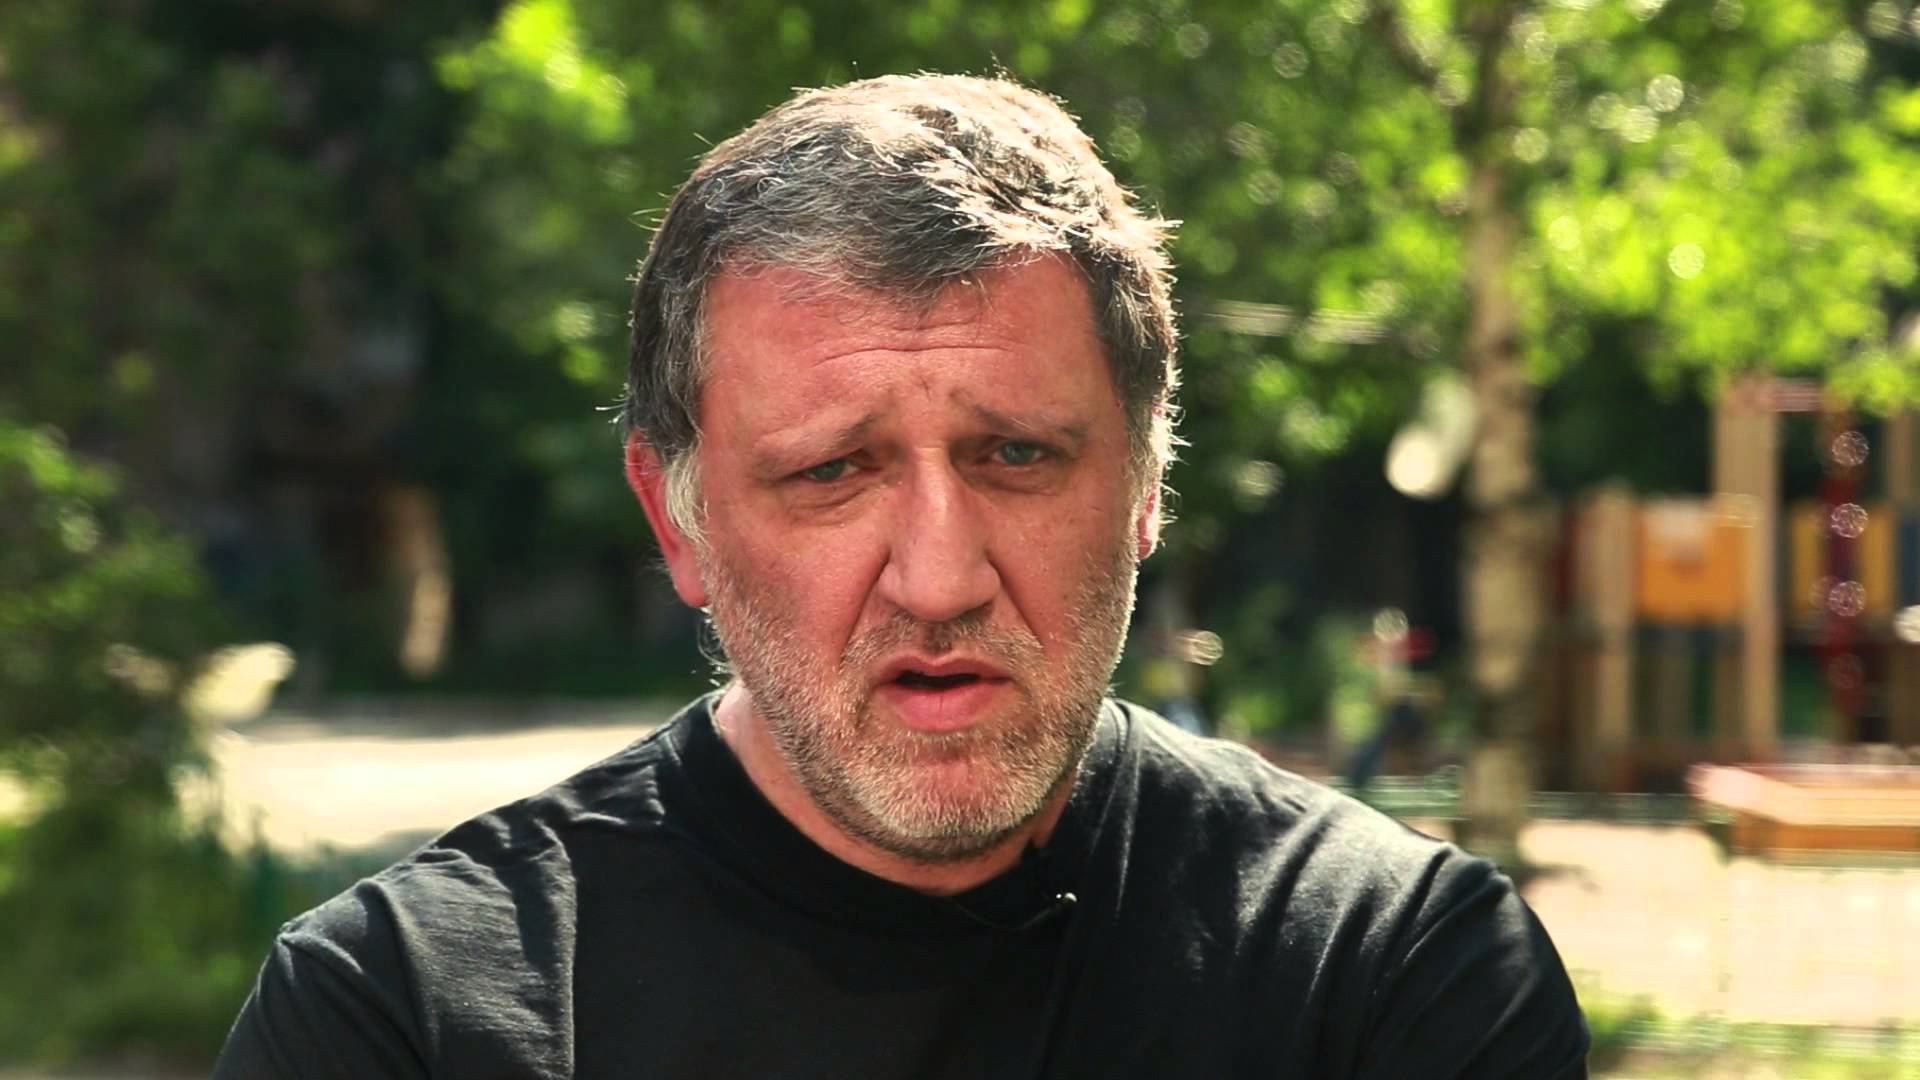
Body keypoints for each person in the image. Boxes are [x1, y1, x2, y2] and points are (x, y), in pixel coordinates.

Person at [215, 73, 1588, 1078]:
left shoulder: (1395, 979)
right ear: (679, 522)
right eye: (832, 472)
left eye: (1016, 455)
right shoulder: (402, 1019)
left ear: (1145, 485)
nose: (937, 580)